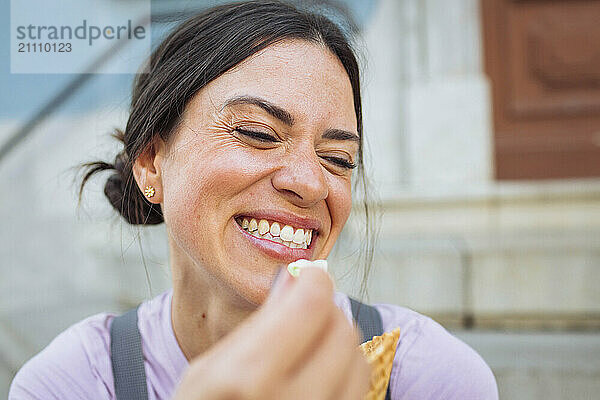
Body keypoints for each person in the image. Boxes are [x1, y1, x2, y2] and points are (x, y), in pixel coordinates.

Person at [9, 1, 498, 399]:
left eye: (338, 159)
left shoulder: (431, 377)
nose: (310, 182)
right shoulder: (69, 383)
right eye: (258, 133)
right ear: (151, 163)